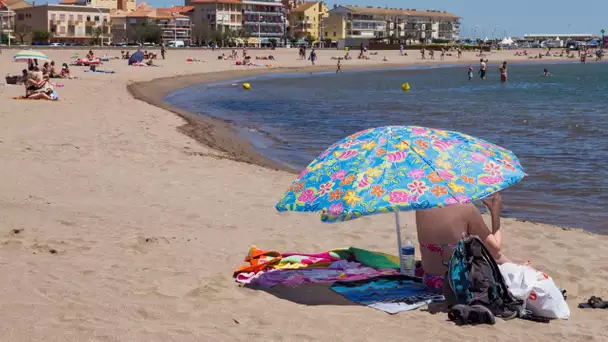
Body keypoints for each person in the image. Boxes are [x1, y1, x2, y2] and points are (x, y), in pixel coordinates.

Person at [416, 193, 509, 293]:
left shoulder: (421, 206)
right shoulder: (466, 207)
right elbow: (494, 249)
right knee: (496, 255)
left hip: (430, 281)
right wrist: (495, 213)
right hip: (457, 283)